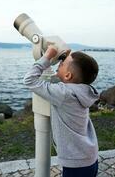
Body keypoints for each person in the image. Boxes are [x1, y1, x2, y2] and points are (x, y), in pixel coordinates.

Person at [23, 45, 99, 177]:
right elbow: (62, 78)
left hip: (76, 164)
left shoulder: (64, 94)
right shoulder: (82, 89)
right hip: (89, 157)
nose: (60, 62)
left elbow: (29, 80)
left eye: (62, 63)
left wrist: (46, 57)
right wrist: (62, 61)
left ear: (68, 75)